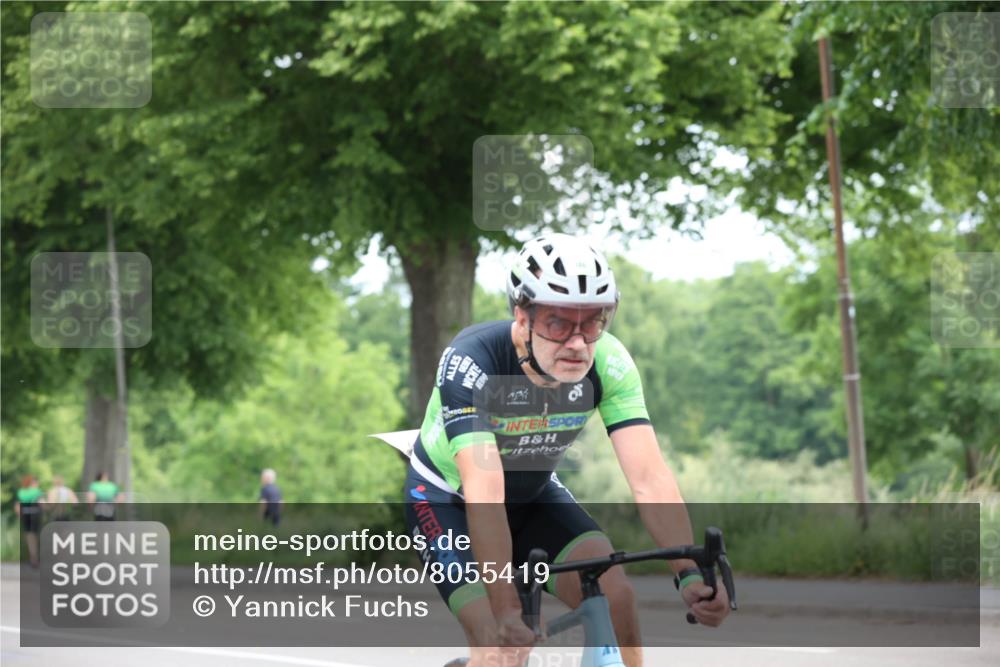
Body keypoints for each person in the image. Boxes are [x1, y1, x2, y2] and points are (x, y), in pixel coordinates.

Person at [402, 234, 730, 667]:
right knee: (498, 644)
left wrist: (688, 572)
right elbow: (484, 491)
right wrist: (505, 610)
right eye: (559, 323)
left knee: (617, 596)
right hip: (451, 501)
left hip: (535, 494)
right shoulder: (473, 360)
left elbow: (649, 478)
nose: (577, 342)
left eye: (593, 322)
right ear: (522, 316)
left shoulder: (609, 364)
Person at [14, 475, 44, 568]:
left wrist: (19, 516)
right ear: (33, 483)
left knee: (29, 536)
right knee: (35, 536)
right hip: (35, 514)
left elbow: (17, 506)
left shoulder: (21, 492)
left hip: (26, 515)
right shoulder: (37, 491)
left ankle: (33, 557)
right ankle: (35, 558)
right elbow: (42, 503)